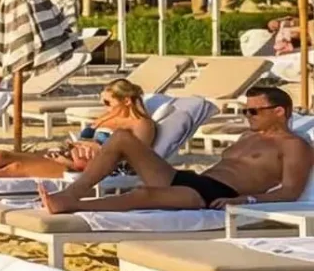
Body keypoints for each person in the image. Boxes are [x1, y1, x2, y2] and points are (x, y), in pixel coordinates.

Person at [40, 85, 311, 214]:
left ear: (278, 111)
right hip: (196, 181)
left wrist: (245, 201)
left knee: (144, 193)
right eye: (245, 110)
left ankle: (77, 206)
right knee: (122, 138)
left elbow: (290, 192)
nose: (247, 115)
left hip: (217, 195)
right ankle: (72, 192)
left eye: (253, 111)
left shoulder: (294, 145)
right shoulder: (246, 137)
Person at [0, 77, 156, 179]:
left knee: (15, 167)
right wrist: (87, 135)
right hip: (68, 157)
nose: (104, 106)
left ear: (126, 101)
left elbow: (136, 158)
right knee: (1, 155)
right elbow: (81, 138)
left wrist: (94, 148)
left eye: (108, 102)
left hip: (92, 170)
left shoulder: (142, 124)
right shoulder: (105, 119)